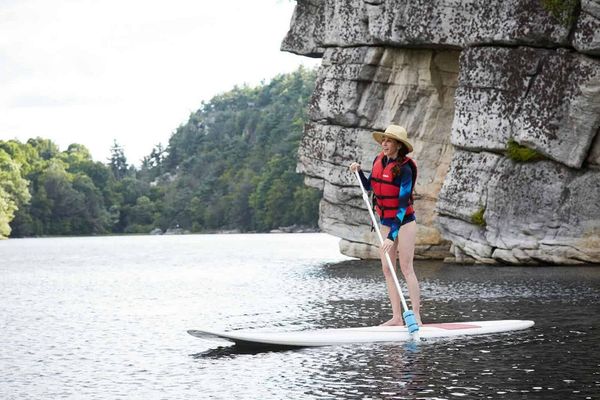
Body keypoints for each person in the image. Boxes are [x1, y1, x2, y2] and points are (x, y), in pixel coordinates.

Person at [349, 124, 422, 326]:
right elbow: (369, 186)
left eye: (389, 141)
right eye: (384, 140)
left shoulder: (406, 169)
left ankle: (415, 315)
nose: (384, 143)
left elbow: (402, 205)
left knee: (406, 268)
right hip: (385, 221)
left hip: (404, 221)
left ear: (398, 145)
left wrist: (392, 236)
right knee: (387, 268)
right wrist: (359, 172)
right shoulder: (378, 161)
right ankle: (397, 318)